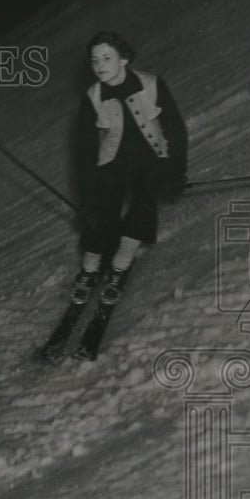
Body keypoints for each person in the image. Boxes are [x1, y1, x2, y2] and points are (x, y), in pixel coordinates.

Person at [72, 30, 188, 300]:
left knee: (143, 210)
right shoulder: (92, 97)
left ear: (123, 59)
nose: (100, 66)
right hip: (113, 162)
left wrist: (175, 171)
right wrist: (88, 199)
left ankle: (119, 267)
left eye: (106, 58)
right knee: (103, 215)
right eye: (94, 60)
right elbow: (84, 151)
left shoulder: (151, 84)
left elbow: (175, 129)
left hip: (151, 158)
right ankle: (90, 268)